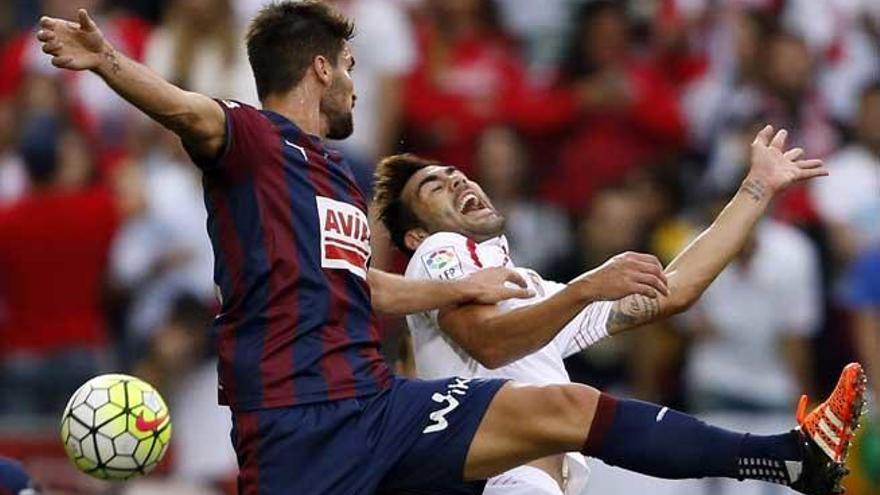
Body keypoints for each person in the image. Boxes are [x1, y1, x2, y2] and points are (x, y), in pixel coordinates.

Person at [36, 3, 864, 494]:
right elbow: (192, 113)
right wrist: (111, 62)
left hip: (373, 403)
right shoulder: (256, 142)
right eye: (352, 66)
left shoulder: (339, 179)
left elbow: (358, 289)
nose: (360, 82)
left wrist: (474, 289)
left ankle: (789, 460)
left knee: (565, 411)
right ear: (321, 70)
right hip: (296, 429)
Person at [371, 123, 859, 495]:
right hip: (495, 477)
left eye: (456, 174)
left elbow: (673, 290)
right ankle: (785, 456)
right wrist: (585, 288)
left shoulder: (529, 294)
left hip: (531, 477)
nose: (456, 182)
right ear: (415, 235)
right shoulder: (439, 250)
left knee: (573, 404)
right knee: (573, 401)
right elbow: (490, 344)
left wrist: (757, 189)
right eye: (435, 188)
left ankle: (790, 457)